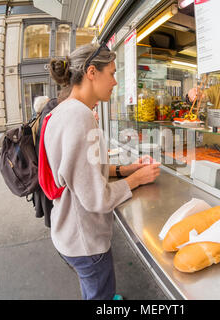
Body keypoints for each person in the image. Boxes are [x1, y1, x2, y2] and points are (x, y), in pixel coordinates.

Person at [46, 43, 160, 300]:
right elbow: (96, 198)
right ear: (91, 73)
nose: (116, 82)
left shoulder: (63, 111)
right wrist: (136, 179)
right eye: (111, 72)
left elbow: (82, 170)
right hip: (85, 243)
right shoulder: (80, 117)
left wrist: (124, 169)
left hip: (68, 233)